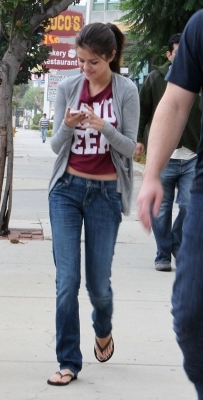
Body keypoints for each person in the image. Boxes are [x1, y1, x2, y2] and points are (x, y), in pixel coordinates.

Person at [47, 22, 139, 386]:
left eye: (93, 62)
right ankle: (68, 361)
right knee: (67, 281)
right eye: (81, 59)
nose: (85, 68)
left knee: (99, 285)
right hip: (66, 190)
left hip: (105, 195)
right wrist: (69, 125)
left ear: (111, 57)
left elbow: (132, 148)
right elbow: (56, 146)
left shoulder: (126, 90)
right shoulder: (69, 87)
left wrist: (104, 127)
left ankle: (103, 329)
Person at [137, 10, 203, 400]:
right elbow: (173, 103)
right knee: (191, 315)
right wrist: (150, 175)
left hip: (191, 156)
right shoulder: (199, 28)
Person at [136, 33, 201, 272]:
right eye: (178, 52)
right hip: (164, 157)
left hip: (193, 154)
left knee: (190, 205)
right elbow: (143, 111)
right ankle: (163, 253)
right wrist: (139, 140)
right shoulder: (155, 78)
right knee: (161, 209)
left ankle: (177, 242)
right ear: (169, 55)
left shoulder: (198, 76)